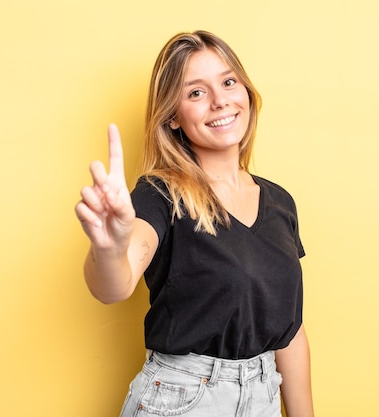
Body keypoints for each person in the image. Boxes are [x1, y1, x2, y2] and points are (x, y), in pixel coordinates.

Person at [75, 30, 314, 417]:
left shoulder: (280, 202)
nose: (220, 101)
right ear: (172, 116)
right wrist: (108, 247)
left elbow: (289, 330)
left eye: (228, 81)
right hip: (184, 400)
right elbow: (114, 286)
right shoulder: (158, 195)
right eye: (196, 93)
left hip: (264, 395)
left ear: (246, 92)